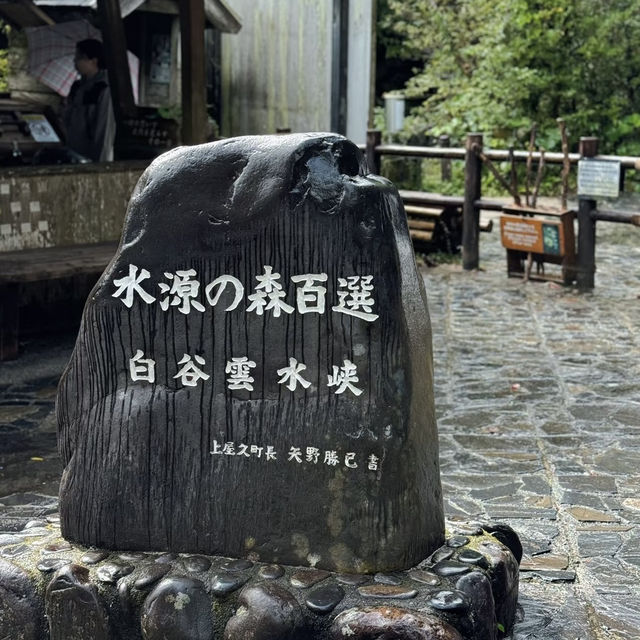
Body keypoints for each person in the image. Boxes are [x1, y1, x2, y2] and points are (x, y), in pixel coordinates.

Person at [63, 38, 115, 162]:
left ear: (93, 60)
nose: (75, 61)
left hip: (91, 154)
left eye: (80, 57)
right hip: (73, 151)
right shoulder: (77, 86)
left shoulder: (103, 88)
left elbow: (104, 128)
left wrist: (99, 162)